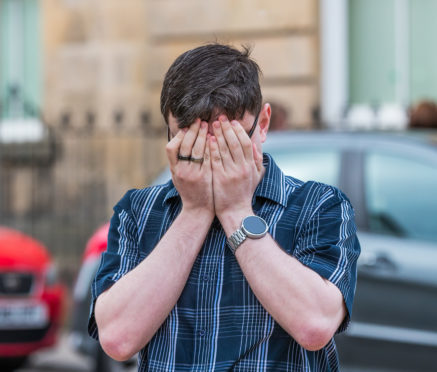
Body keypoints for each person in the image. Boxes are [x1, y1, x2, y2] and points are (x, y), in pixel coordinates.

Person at [88, 43, 360, 371]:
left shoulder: (320, 206)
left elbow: (314, 325)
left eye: (229, 143)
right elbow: (118, 338)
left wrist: (235, 210)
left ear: (262, 125)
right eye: (191, 145)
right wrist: (195, 211)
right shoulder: (138, 212)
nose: (211, 160)